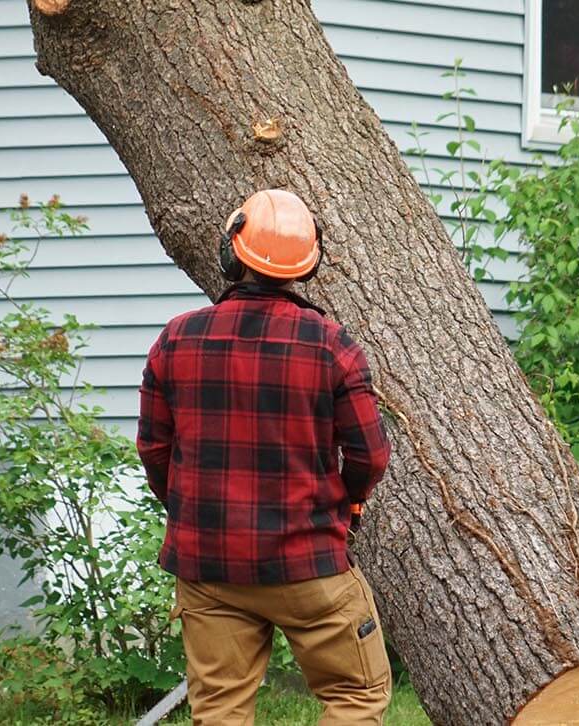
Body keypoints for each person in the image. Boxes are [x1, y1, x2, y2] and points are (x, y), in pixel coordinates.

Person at [137, 188, 393, 725]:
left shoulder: (175, 339)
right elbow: (369, 455)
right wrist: (349, 504)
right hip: (308, 563)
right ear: (311, 262)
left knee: (220, 710)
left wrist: (189, 510)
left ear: (232, 254)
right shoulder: (333, 346)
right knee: (356, 696)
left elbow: (154, 449)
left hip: (207, 566)